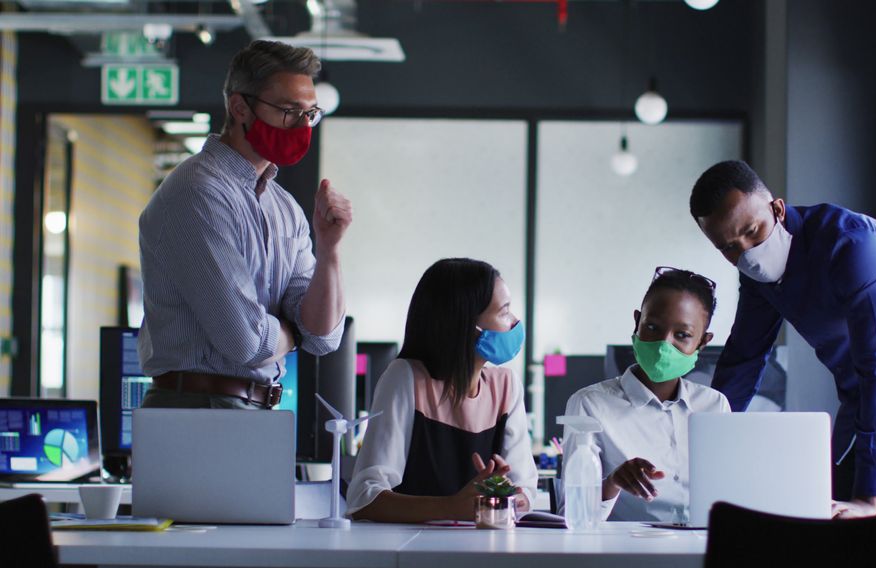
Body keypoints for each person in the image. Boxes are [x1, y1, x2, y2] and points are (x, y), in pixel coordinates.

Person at [690, 160, 876, 520]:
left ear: (777, 209)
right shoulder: (757, 276)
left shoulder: (853, 245)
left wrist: (869, 498)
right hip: (866, 410)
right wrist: (704, 448)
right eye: (728, 247)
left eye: (752, 231)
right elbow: (743, 360)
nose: (746, 252)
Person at [138, 40, 352, 410]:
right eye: (288, 111)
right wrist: (292, 329)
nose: (302, 125)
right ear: (240, 107)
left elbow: (322, 337)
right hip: (195, 407)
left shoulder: (284, 207)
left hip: (257, 408)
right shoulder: (198, 192)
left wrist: (329, 248)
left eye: (310, 113)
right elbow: (246, 342)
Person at [347, 258, 538, 522]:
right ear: (466, 325)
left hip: (486, 548)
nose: (515, 322)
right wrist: (453, 507)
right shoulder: (406, 378)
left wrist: (510, 497)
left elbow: (524, 488)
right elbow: (364, 498)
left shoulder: (506, 386)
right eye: (504, 312)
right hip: (412, 551)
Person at [563, 267, 731, 522]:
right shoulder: (590, 404)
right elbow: (571, 515)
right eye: (652, 327)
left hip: (704, 549)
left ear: (703, 342)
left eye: (682, 335)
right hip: (629, 554)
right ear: (637, 322)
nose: (664, 344)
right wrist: (613, 483)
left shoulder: (714, 405)